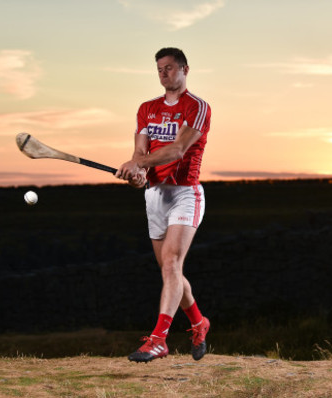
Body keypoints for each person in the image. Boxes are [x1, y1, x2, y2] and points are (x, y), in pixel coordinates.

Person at [115, 47, 211, 363]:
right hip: (155, 196)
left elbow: (177, 150)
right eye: (159, 69)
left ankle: (158, 340)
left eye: (169, 67)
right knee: (170, 271)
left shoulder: (197, 107)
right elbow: (141, 154)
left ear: (184, 69)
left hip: (185, 193)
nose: (163, 73)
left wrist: (137, 163)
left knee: (171, 264)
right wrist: (137, 174)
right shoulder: (147, 109)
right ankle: (199, 322)